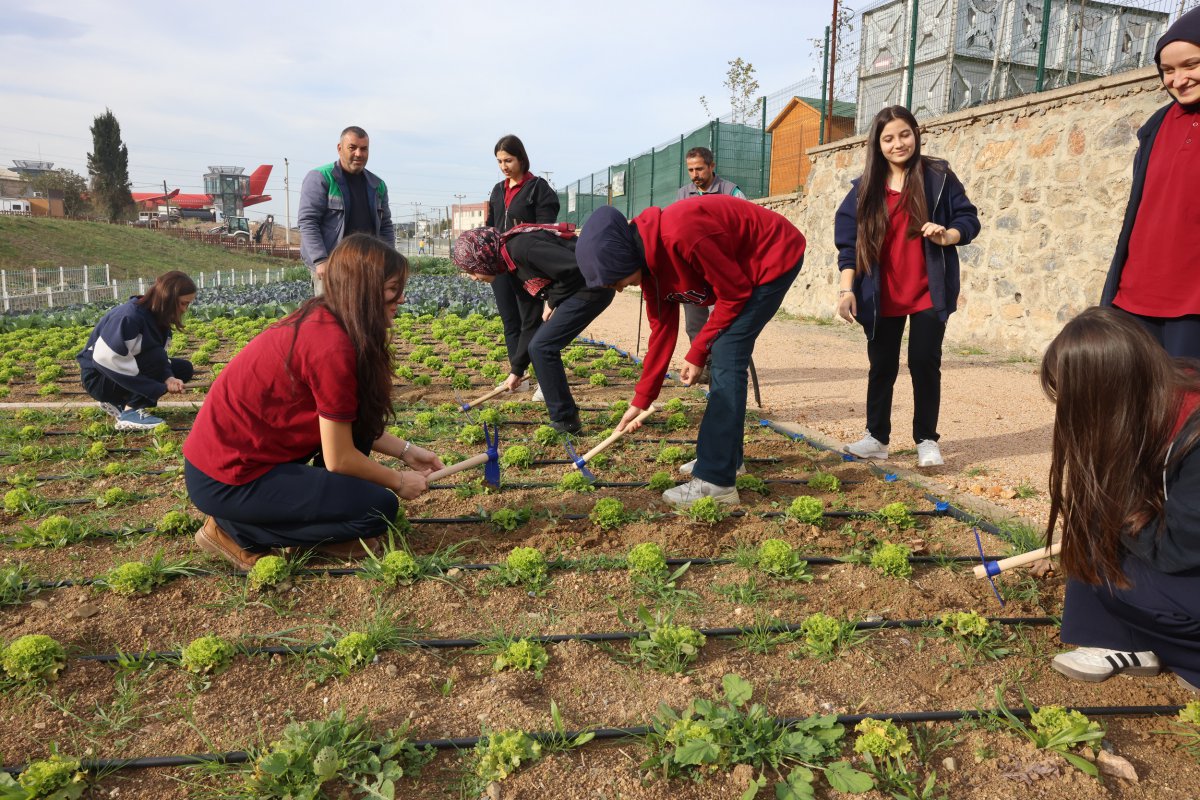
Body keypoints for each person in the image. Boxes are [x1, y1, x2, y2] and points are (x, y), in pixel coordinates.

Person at [183, 234, 444, 569]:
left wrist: (408, 452)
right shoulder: (331, 345)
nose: (402, 298)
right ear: (363, 288)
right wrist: (398, 481)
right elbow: (338, 458)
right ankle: (232, 530)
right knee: (379, 509)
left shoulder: (330, 320)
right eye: (393, 288)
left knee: (362, 443)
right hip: (229, 478)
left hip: (245, 463)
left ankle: (328, 531)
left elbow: (349, 424)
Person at [576, 195, 805, 508]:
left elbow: (735, 294)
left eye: (614, 280)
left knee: (726, 354)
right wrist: (641, 400)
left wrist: (698, 351)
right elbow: (662, 331)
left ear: (624, 258)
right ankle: (728, 460)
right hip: (741, 275)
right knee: (723, 351)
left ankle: (716, 482)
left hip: (771, 259)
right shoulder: (649, 265)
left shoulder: (682, 234)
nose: (617, 289)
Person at [1040, 307, 1200, 692]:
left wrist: (1119, 516)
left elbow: (1178, 548)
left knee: (1104, 568)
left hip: (1185, 551)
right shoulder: (1162, 388)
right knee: (1092, 533)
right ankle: (1118, 640)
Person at [834, 105, 980, 468]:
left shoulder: (938, 176)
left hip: (929, 289)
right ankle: (876, 437)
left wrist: (949, 235)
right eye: (888, 138)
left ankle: (927, 440)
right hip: (879, 293)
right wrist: (846, 289)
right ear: (877, 144)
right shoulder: (864, 189)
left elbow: (969, 217)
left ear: (915, 134)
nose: (898, 143)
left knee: (924, 362)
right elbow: (848, 244)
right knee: (881, 365)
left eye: (904, 134)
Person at [1100, 6, 1200, 359]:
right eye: (1167, 70)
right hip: (1134, 299)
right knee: (1137, 409)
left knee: (1189, 412)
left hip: (1193, 307)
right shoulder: (1156, 125)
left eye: (1191, 65)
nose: (1178, 80)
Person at [453, 224, 615, 434]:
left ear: (484, 258)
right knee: (539, 345)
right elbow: (530, 322)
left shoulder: (523, 248)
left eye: (472, 269)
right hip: (578, 290)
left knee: (543, 347)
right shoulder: (510, 269)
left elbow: (577, 267)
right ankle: (565, 418)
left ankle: (566, 421)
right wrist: (517, 370)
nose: (474, 277)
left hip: (592, 287)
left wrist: (554, 299)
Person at [485, 134, 559, 400]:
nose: (504, 166)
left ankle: (543, 379)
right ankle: (519, 377)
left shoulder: (538, 188)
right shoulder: (497, 190)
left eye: (509, 160)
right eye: (500, 161)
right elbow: (491, 226)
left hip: (527, 268)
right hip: (501, 266)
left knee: (532, 321)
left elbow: (546, 230)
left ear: (521, 158)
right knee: (510, 321)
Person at [77, 270, 195, 431]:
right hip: (99, 378)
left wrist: (168, 378)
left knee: (182, 369)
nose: (185, 309)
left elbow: (158, 357)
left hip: (114, 376)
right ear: (167, 299)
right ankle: (130, 412)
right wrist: (155, 387)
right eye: (183, 303)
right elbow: (105, 358)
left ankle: (119, 402)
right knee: (154, 360)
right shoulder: (129, 317)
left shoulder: (156, 317)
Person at [299, 126, 396, 295]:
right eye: (352, 147)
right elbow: (308, 222)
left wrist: (390, 261)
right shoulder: (321, 178)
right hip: (331, 266)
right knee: (332, 316)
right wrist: (320, 260)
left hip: (367, 267)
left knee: (363, 317)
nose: (359, 153)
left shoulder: (377, 185)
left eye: (364, 149)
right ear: (339, 148)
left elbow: (386, 226)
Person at [673, 146, 748, 362]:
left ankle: (724, 365)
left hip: (724, 269)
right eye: (690, 170)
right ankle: (703, 364)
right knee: (694, 324)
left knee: (724, 319)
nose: (695, 175)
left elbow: (744, 228)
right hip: (694, 269)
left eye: (700, 169)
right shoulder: (683, 194)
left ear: (712, 166)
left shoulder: (731, 192)